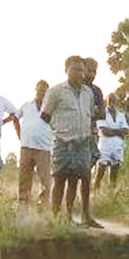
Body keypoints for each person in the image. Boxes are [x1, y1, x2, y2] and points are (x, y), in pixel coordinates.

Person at [41, 56, 101, 228]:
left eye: (81, 70)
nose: (79, 73)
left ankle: (68, 216)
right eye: (75, 69)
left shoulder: (88, 93)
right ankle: (54, 217)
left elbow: (90, 114)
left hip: (83, 141)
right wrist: (59, 128)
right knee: (60, 178)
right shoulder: (55, 91)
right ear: (66, 70)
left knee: (77, 178)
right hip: (62, 141)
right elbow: (45, 115)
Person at [15, 80, 52, 206]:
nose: (42, 92)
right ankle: (23, 202)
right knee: (24, 176)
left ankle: (44, 203)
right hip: (26, 146)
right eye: (40, 89)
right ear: (35, 89)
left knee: (45, 178)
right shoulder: (26, 105)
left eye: (45, 90)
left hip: (44, 147)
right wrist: (20, 135)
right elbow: (15, 118)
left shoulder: (51, 107)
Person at [95, 93, 129, 189]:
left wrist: (112, 131)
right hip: (105, 146)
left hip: (117, 146)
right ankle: (96, 190)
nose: (112, 102)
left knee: (115, 170)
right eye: (110, 100)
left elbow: (126, 131)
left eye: (114, 100)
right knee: (101, 169)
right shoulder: (102, 114)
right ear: (107, 101)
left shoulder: (121, 115)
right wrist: (119, 132)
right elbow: (104, 131)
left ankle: (111, 192)